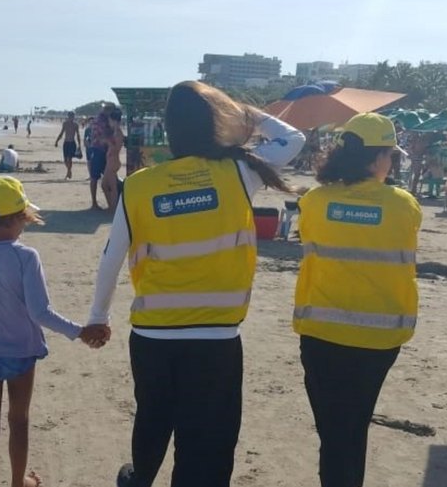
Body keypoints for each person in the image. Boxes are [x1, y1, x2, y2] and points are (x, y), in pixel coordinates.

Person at [86, 81, 304, 487]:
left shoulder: (141, 185)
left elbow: (111, 259)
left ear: (169, 132)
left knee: (152, 417)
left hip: (153, 335)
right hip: (216, 338)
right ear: (216, 124)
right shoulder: (238, 173)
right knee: (209, 441)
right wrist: (242, 111)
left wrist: (98, 317)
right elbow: (292, 138)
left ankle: (140, 478)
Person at [294, 113, 421, 487]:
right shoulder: (405, 205)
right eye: (391, 155)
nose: (392, 163)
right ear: (379, 157)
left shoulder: (314, 202)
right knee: (353, 425)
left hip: (321, 335)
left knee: (334, 431)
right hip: (378, 341)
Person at [0, 176, 106, 487]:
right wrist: (80, 331)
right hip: (21, 354)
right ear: (19, 217)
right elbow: (39, 313)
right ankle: (18, 482)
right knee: (19, 421)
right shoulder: (26, 257)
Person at [87, 106, 111, 210]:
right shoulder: (101, 121)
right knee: (95, 177)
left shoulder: (101, 120)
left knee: (97, 177)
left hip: (99, 150)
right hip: (99, 150)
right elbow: (102, 137)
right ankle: (95, 202)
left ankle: (96, 202)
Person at [101, 108, 125, 211]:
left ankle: (114, 208)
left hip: (113, 161)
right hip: (110, 161)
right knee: (104, 185)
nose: (109, 123)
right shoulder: (115, 132)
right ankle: (111, 206)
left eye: (110, 120)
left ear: (115, 121)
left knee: (112, 186)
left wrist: (107, 141)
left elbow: (116, 149)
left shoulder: (119, 133)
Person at [54, 112, 81, 180]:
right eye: (70, 116)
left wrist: (79, 144)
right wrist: (57, 141)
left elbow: (78, 135)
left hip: (72, 143)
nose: (71, 118)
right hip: (66, 143)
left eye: (72, 116)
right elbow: (62, 133)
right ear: (68, 117)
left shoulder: (75, 125)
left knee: (69, 159)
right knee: (65, 160)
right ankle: (69, 171)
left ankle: (68, 172)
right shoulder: (65, 124)